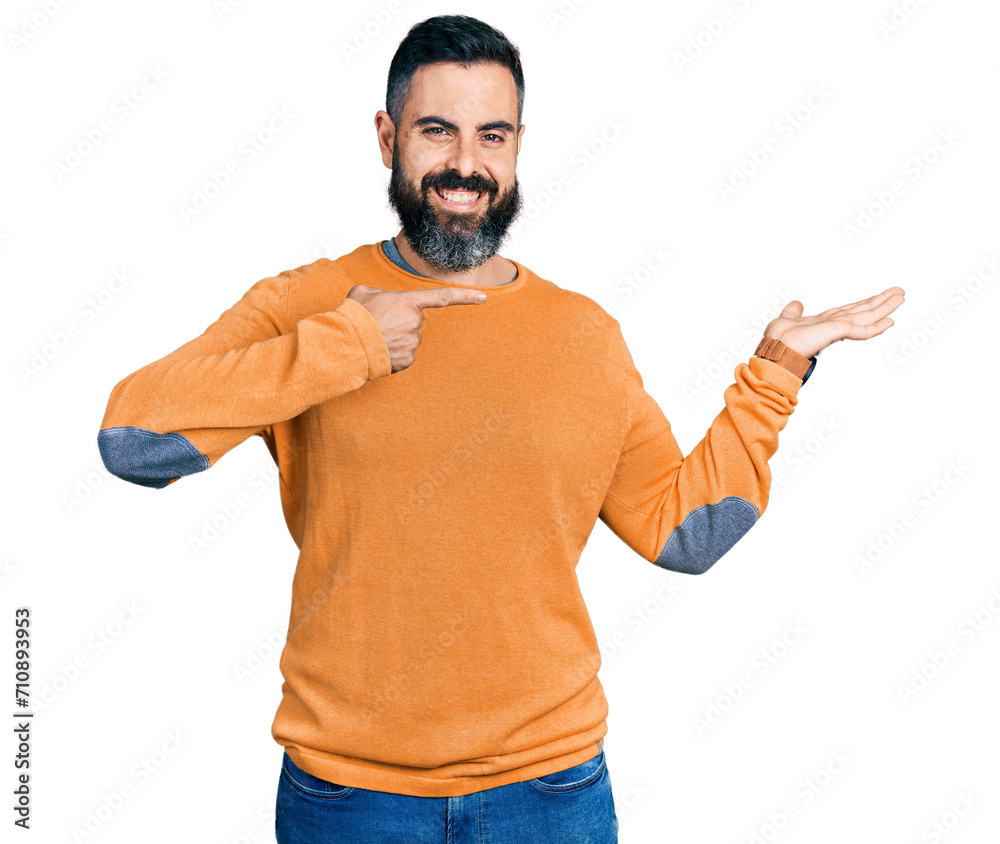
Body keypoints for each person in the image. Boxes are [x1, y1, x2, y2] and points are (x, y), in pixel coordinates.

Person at [95, 14, 905, 844]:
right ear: (387, 137)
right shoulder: (311, 306)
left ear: (518, 147)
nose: (465, 166)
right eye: (436, 131)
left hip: (552, 795)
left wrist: (774, 374)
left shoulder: (582, 335)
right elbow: (133, 443)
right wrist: (345, 347)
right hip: (348, 799)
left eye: (493, 135)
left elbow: (682, 535)